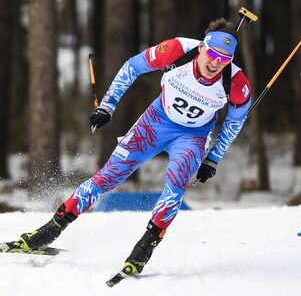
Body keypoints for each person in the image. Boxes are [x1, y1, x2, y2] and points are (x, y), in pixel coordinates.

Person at [17, 18, 252, 276]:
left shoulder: (237, 83)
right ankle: (51, 229)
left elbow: (233, 123)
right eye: (214, 54)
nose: (217, 63)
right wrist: (107, 105)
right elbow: (132, 67)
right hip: (156, 121)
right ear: (202, 48)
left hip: (193, 136)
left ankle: (144, 249)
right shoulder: (176, 50)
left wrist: (213, 158)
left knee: (175, 185)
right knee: (108, 177)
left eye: (225, 59)